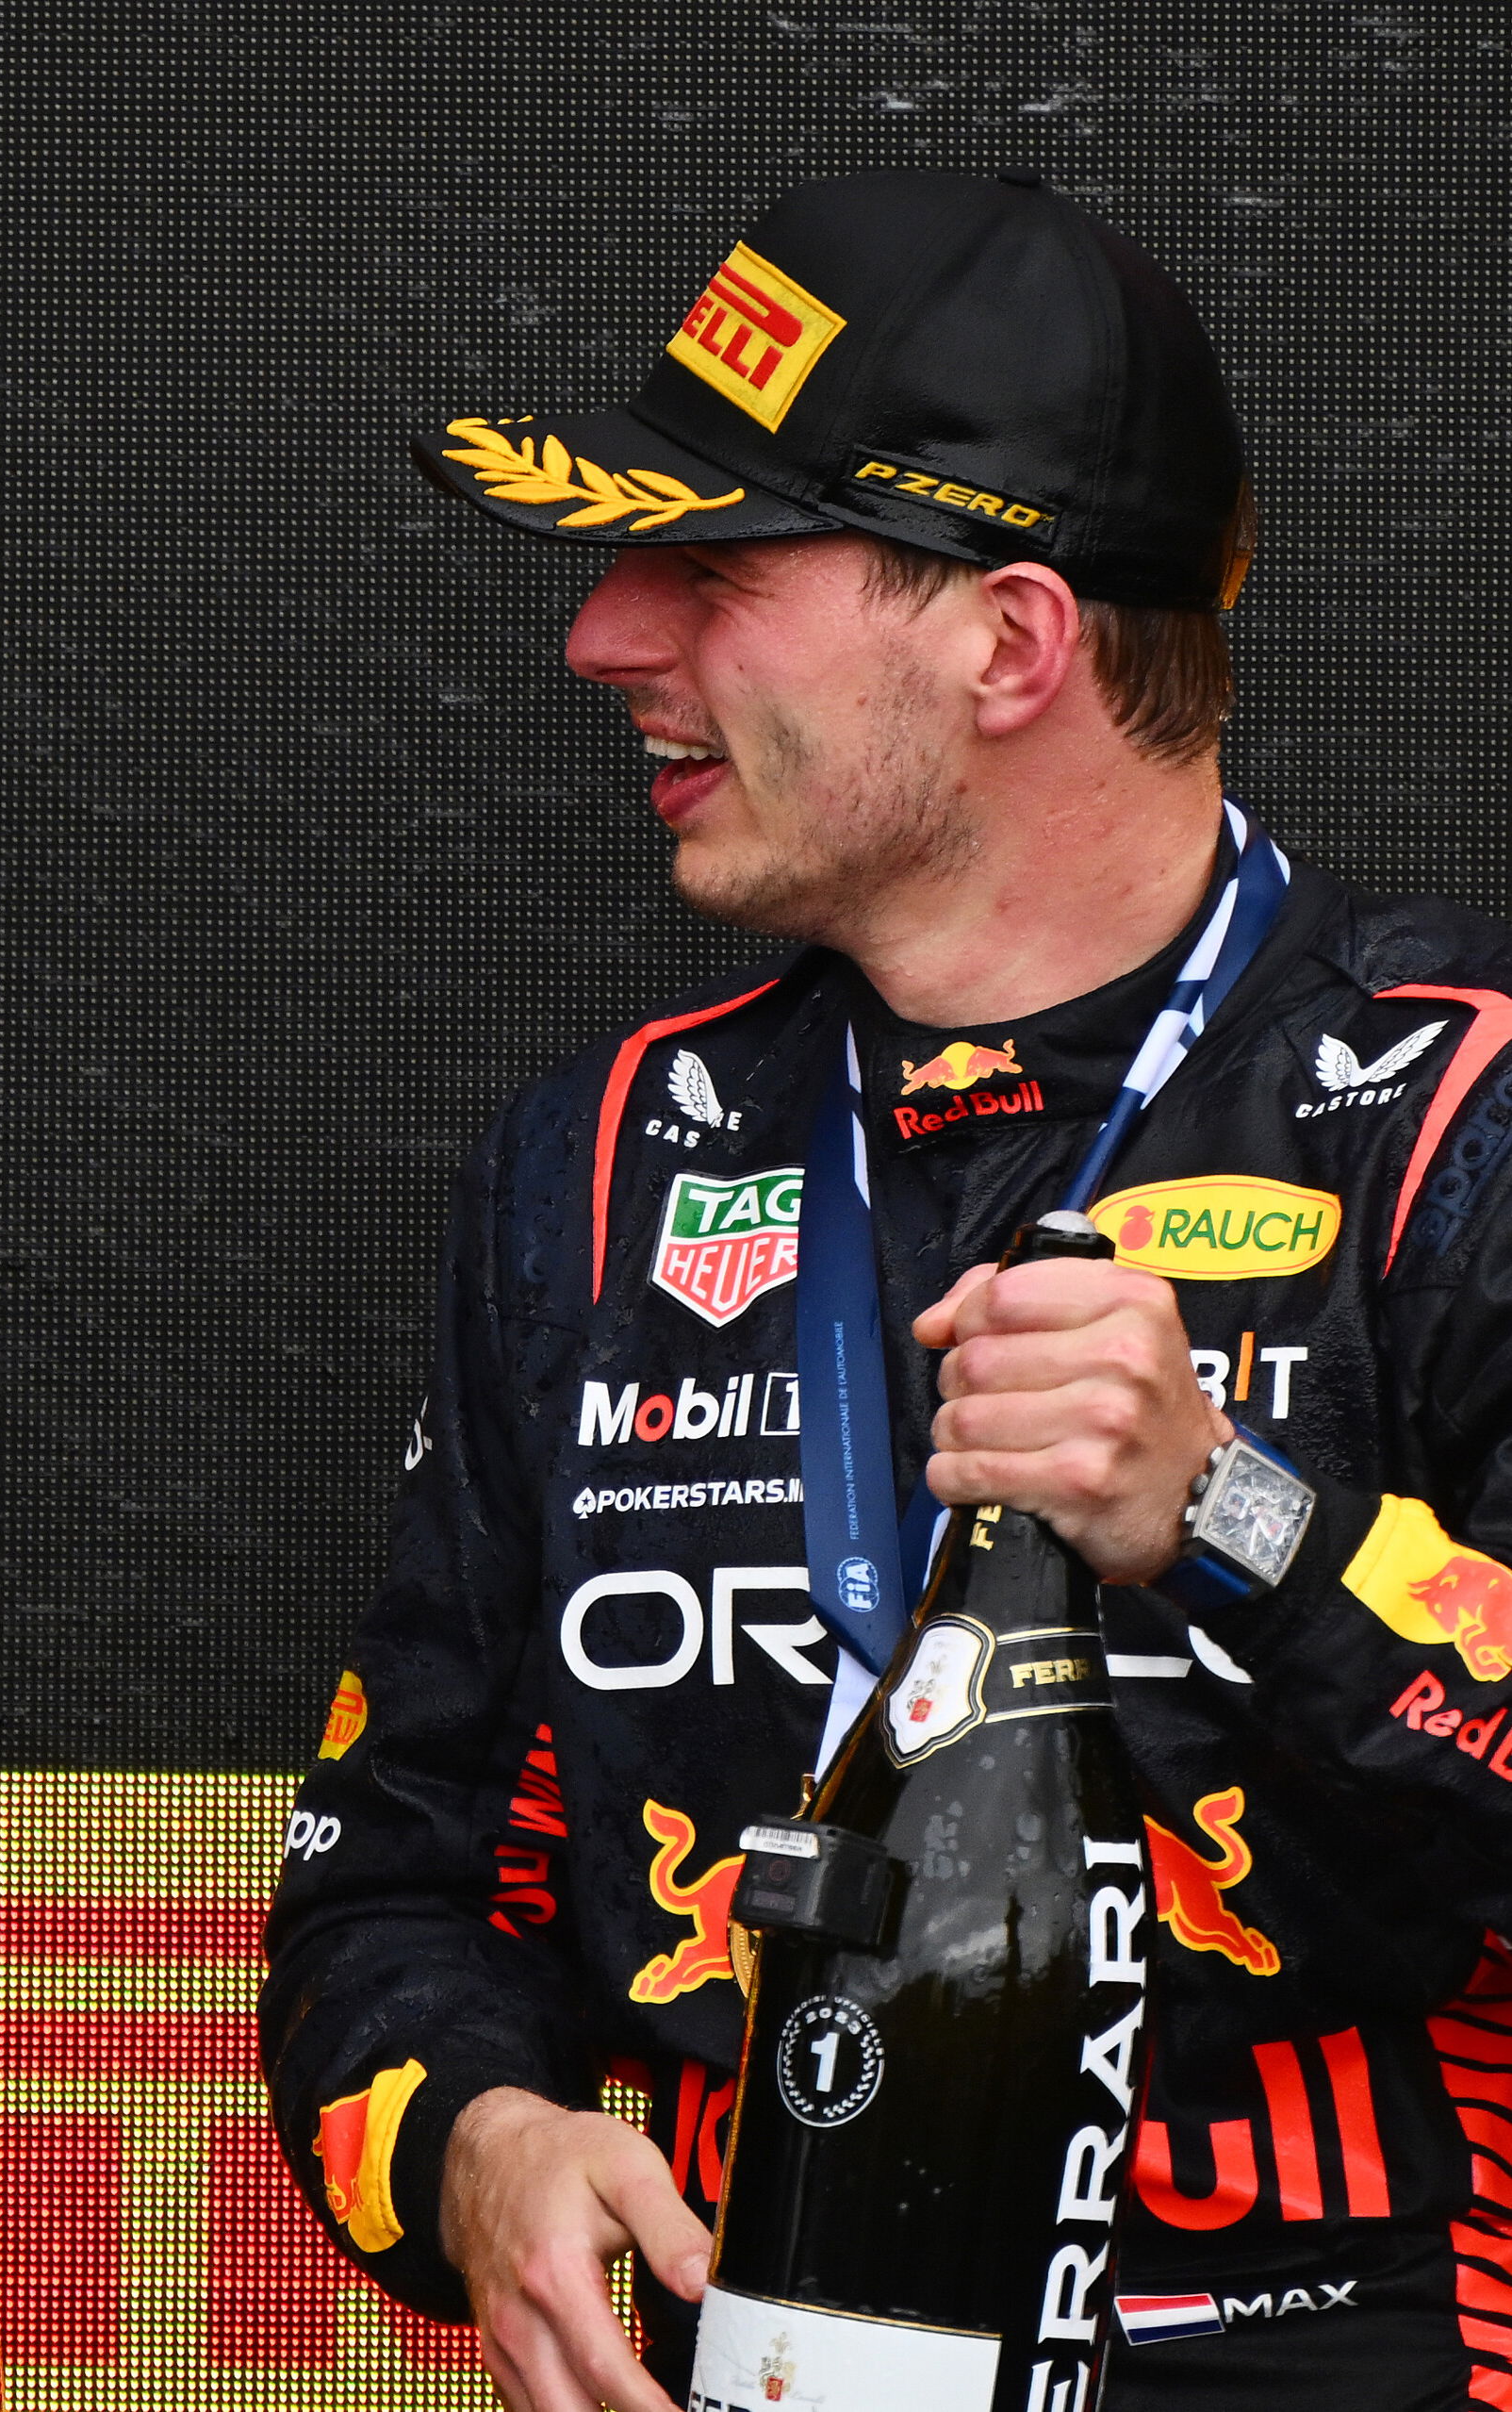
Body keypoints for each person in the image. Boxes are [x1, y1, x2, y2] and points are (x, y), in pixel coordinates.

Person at [263, 165, 1512, 2412]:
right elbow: (385, 1885)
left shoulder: (1454, 1105)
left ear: (1010, 645)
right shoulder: (601, 1166)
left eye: (710, 571)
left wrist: (1234, 1514)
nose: (603, 640)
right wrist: (468, 2145)